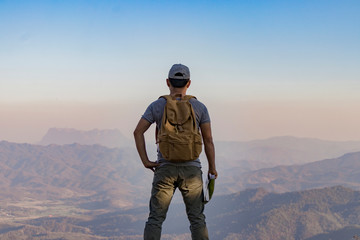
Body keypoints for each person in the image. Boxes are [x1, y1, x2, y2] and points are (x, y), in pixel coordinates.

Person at [133, 63, 217, 240]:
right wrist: (212, 168)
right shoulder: (200, 107)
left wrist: (146, 161)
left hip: (165, 169)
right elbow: (208, 140)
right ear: (189, 83)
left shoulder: (157, 106)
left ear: (167, 82)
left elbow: (138, 132)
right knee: (197, 219)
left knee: (155, 219)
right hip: (192, 170)